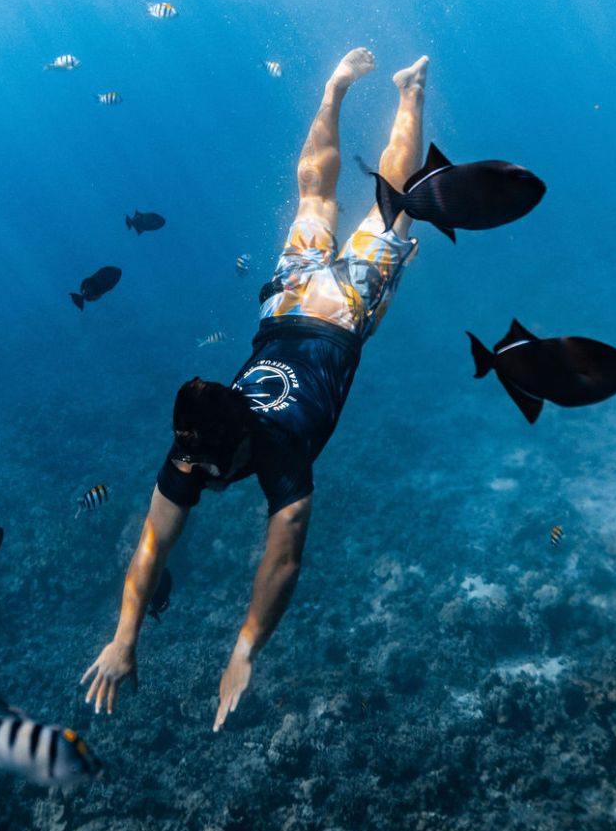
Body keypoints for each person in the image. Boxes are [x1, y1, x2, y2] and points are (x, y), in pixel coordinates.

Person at [80, 48, 428, 731]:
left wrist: (244, 652)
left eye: (211, 469)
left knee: (395, 205)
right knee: (317, 198)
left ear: (242, 438)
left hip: (336, 312)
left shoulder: (281, 448)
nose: (202, 480)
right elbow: (151, 545)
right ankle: (337, 90)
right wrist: (124, 639)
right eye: (196, 465)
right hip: (289, 307)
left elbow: (283, 561)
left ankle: (407, 91)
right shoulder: (192, 449)